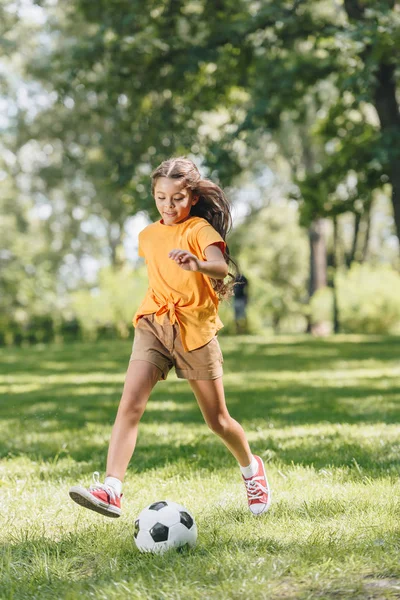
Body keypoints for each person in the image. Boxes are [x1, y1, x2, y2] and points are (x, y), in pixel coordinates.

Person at [69, 157, 271, 518]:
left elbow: (220, 266)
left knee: (218, 421)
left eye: (177, 198)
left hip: (195, 330)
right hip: (154, 322)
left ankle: (251, 469)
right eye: (161, 197)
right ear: (154, 195)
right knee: (130, 403)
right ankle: (112, 489)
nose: (168, 205)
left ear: (192, 197)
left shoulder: (199, 230)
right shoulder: (146, 237)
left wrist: (197, 264)